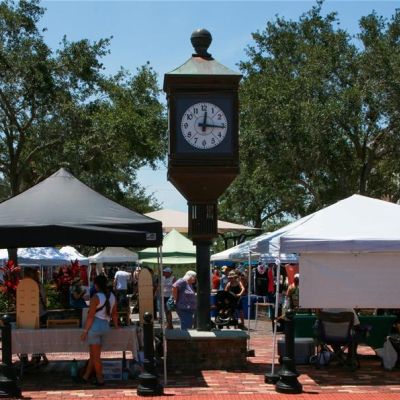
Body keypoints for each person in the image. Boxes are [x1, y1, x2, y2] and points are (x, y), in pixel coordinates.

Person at [80, 275, 119, 385]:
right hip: (105, 326)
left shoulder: (96, 297)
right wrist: (117, 326)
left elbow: (90, 316)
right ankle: (86, 376)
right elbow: (115, 314)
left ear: (96, 285)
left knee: (96, 357)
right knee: (93, 355)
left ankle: (100, 379)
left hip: (95, 328)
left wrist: (84, 332)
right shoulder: (112, 296)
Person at [24, 267, 49, 365]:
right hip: (43, 313)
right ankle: (42, 357)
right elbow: (45, 299)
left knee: (35, 337)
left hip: (35, 314)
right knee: (39, 337)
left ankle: (35, 358)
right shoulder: (40, 285)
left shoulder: (30, 286)